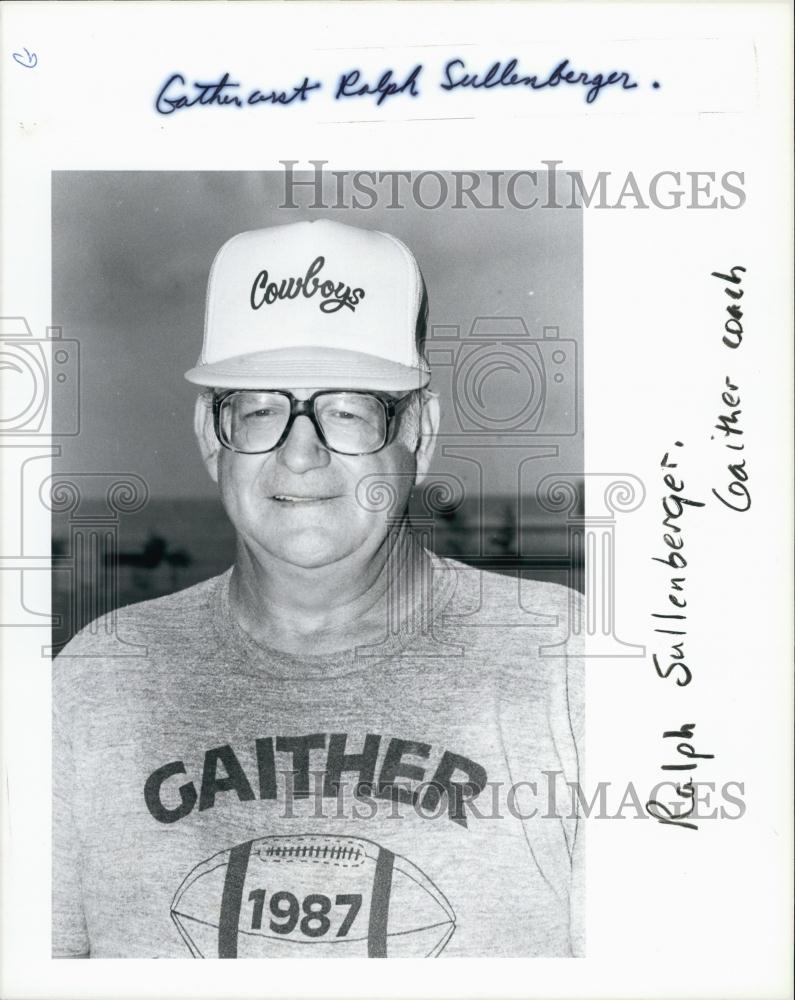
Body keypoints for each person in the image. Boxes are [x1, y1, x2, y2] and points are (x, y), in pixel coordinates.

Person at [53, 219, 583, 959]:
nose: (300, 454)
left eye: (347, 409)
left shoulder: (566, 666)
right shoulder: (93, 680)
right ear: (212, 438)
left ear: (419, 437)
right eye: (261, 409)